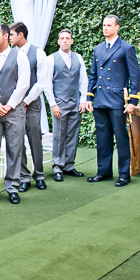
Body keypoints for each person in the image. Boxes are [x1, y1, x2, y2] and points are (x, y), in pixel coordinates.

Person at [86, 15, 140, 187]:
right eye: (103, 25)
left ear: (117, 27)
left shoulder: (126, 48)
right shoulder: (98, 49)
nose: (105, 28)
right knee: (102, 138)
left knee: (121, 138)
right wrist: (89, 97)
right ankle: (104, 172)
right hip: (100, 99)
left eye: (109, 25)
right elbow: (93, 74)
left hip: (117, 100)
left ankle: (124, 174)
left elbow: (134, 75)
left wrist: (133, 100)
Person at [0, 23, 30, 205]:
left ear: (5, 36)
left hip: (14, 111)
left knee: (14, 148)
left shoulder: (20, 56)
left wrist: (9, 106)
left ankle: (12, 188)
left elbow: (23, 84)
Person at [43, 29, 88, 182]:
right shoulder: (51, 59)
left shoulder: (78, 58)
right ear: (58, 41)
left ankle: (69, 165)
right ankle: (57, 166)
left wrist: (83, 100)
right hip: (60, 103)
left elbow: (83, 80)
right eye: (62, 38)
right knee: (59, 135)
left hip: (75, 102)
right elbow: (47, 84)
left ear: (71, 41)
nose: (65, 41)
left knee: (72, 134)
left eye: (67, 38)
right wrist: (53, 105)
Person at [9, 22, 49, 192]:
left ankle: (39, 175)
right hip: (13, 105)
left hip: (31, 104)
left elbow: (41, 83)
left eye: (11, 34)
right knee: (17, 142)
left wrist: (26, 101)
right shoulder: (10, 54)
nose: (8, 38)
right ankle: (24, 177)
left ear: (21, 35)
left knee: (35, 140)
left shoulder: (38, 53)